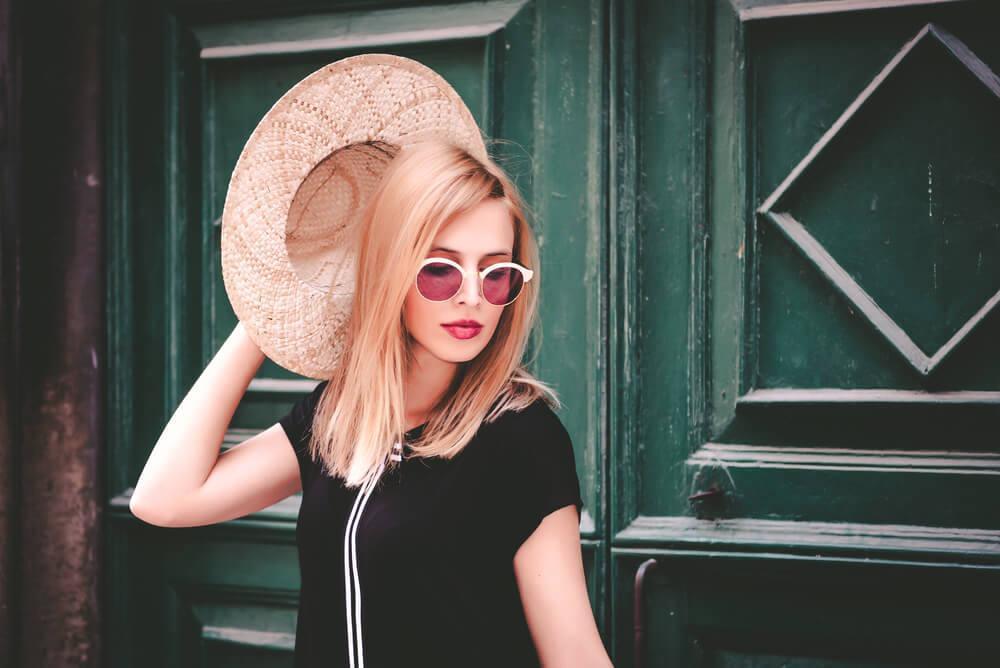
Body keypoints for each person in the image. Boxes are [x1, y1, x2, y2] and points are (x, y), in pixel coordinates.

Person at [130, 139, 614, 667]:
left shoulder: (521, 436)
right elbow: (164, 500)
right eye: (440, 270)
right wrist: (265, 314)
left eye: (496, 274)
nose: (472, 296)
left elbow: (574, 656)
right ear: (389, 270)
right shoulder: (337, 418)